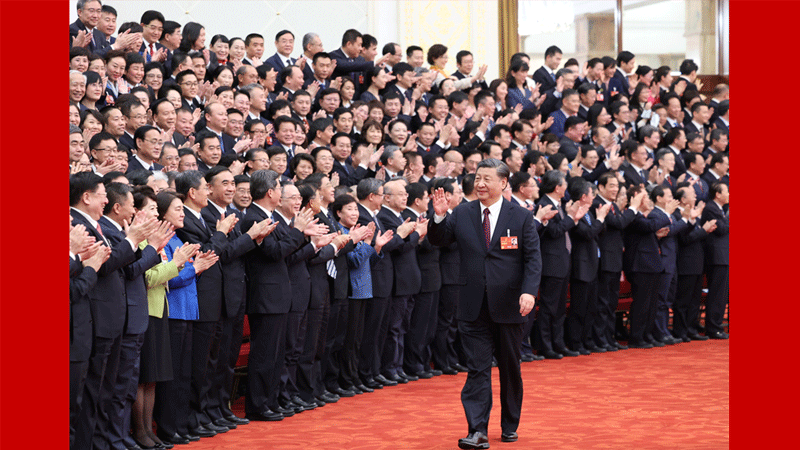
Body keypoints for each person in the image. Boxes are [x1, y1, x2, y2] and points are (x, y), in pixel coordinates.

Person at [428, 159, 542, 448]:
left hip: (510, 304)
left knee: (509, 367)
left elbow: (532, 259)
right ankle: (477, 430)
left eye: (487, 179)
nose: (480, 184)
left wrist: (529, 291)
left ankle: (509, 423)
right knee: (477, 368)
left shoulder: (521, 216)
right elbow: (439, 240)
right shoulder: (463, 213)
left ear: (503, 183)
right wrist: (440, 217)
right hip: (472, 304)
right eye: (477, 178)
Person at [701, 183, 730, 339]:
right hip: (717, 256)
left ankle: (716, 325)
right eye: (727, 191)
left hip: (722, 255)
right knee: (717, 293)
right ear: (718, 194)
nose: (730, 194)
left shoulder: (719, 209)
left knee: (721, 293)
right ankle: (713, 327)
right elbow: (722, 229)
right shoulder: (711, 208)